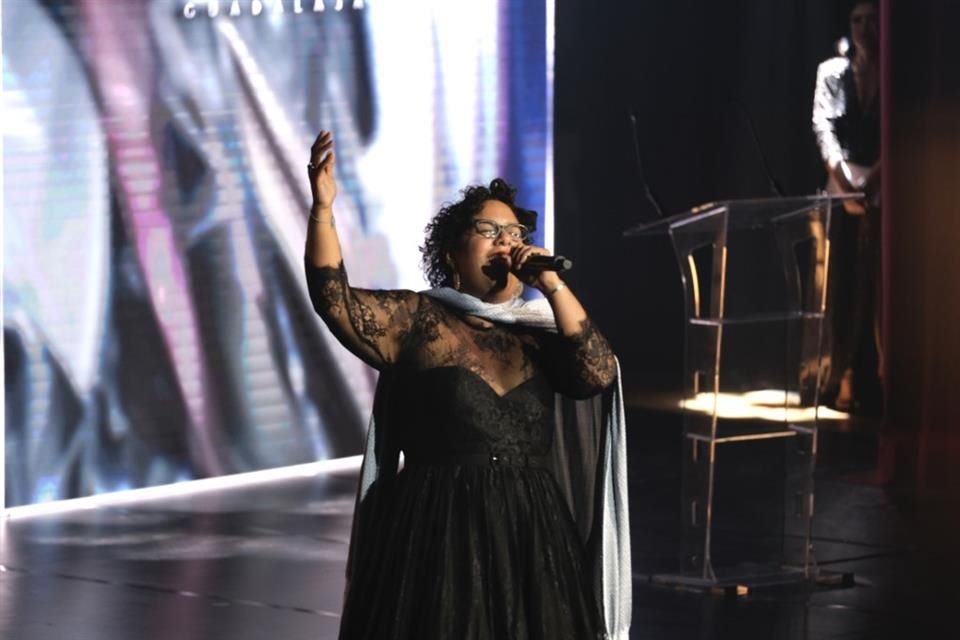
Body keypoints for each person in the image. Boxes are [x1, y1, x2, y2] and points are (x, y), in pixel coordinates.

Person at [303, 131, 631, 639]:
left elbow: (597, 373)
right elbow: (334, 300)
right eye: (488, 229)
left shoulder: (539, 334)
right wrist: (322, 209)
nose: (507, 241)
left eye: (515, 232)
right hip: (438, 528)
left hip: (531, 532)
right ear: (454, 252)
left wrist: (553, 285)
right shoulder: (419, 318)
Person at [812, 0, 882, 414]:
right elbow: (822, 126)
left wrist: (875, 178)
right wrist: (842, 177)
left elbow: (901, 129)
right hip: (840, 188)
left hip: (882, 188)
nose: (865, 28)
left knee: (875, 287)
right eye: (858, 20)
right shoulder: (832, 72)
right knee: (837, 286)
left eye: (873, 21)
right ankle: (838, 378)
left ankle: (877, 377)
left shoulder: (896, 76)